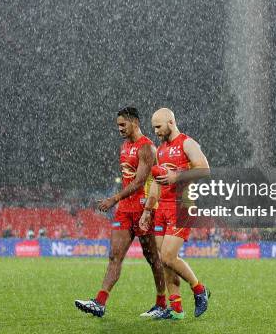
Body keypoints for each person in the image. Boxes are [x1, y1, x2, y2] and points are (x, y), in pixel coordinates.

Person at [75, 106, 167, 318]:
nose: (119, 129)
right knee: (114, 256)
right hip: (125, 211)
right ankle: (100, 302)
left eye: (122, 125)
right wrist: (119, 202)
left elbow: (140, 181)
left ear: (134, 122)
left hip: (144, 210)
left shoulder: (147, 148)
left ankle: (162, 303)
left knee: (152, 257)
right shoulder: (125, 147)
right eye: (118, 125)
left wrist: (114, 198)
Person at [140, 108, 211, 320]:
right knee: (163, 261)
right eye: (153, 128)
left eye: (158, 127)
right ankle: (176, 309)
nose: (156, 131)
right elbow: (156, 184)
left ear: (171, 122)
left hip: (182, 205)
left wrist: (176, 176)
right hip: (162, 208)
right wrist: (147, 210)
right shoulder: (160, 150)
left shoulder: (187, 143)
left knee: (169, 256)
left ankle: (199, 290)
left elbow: (205, 169)